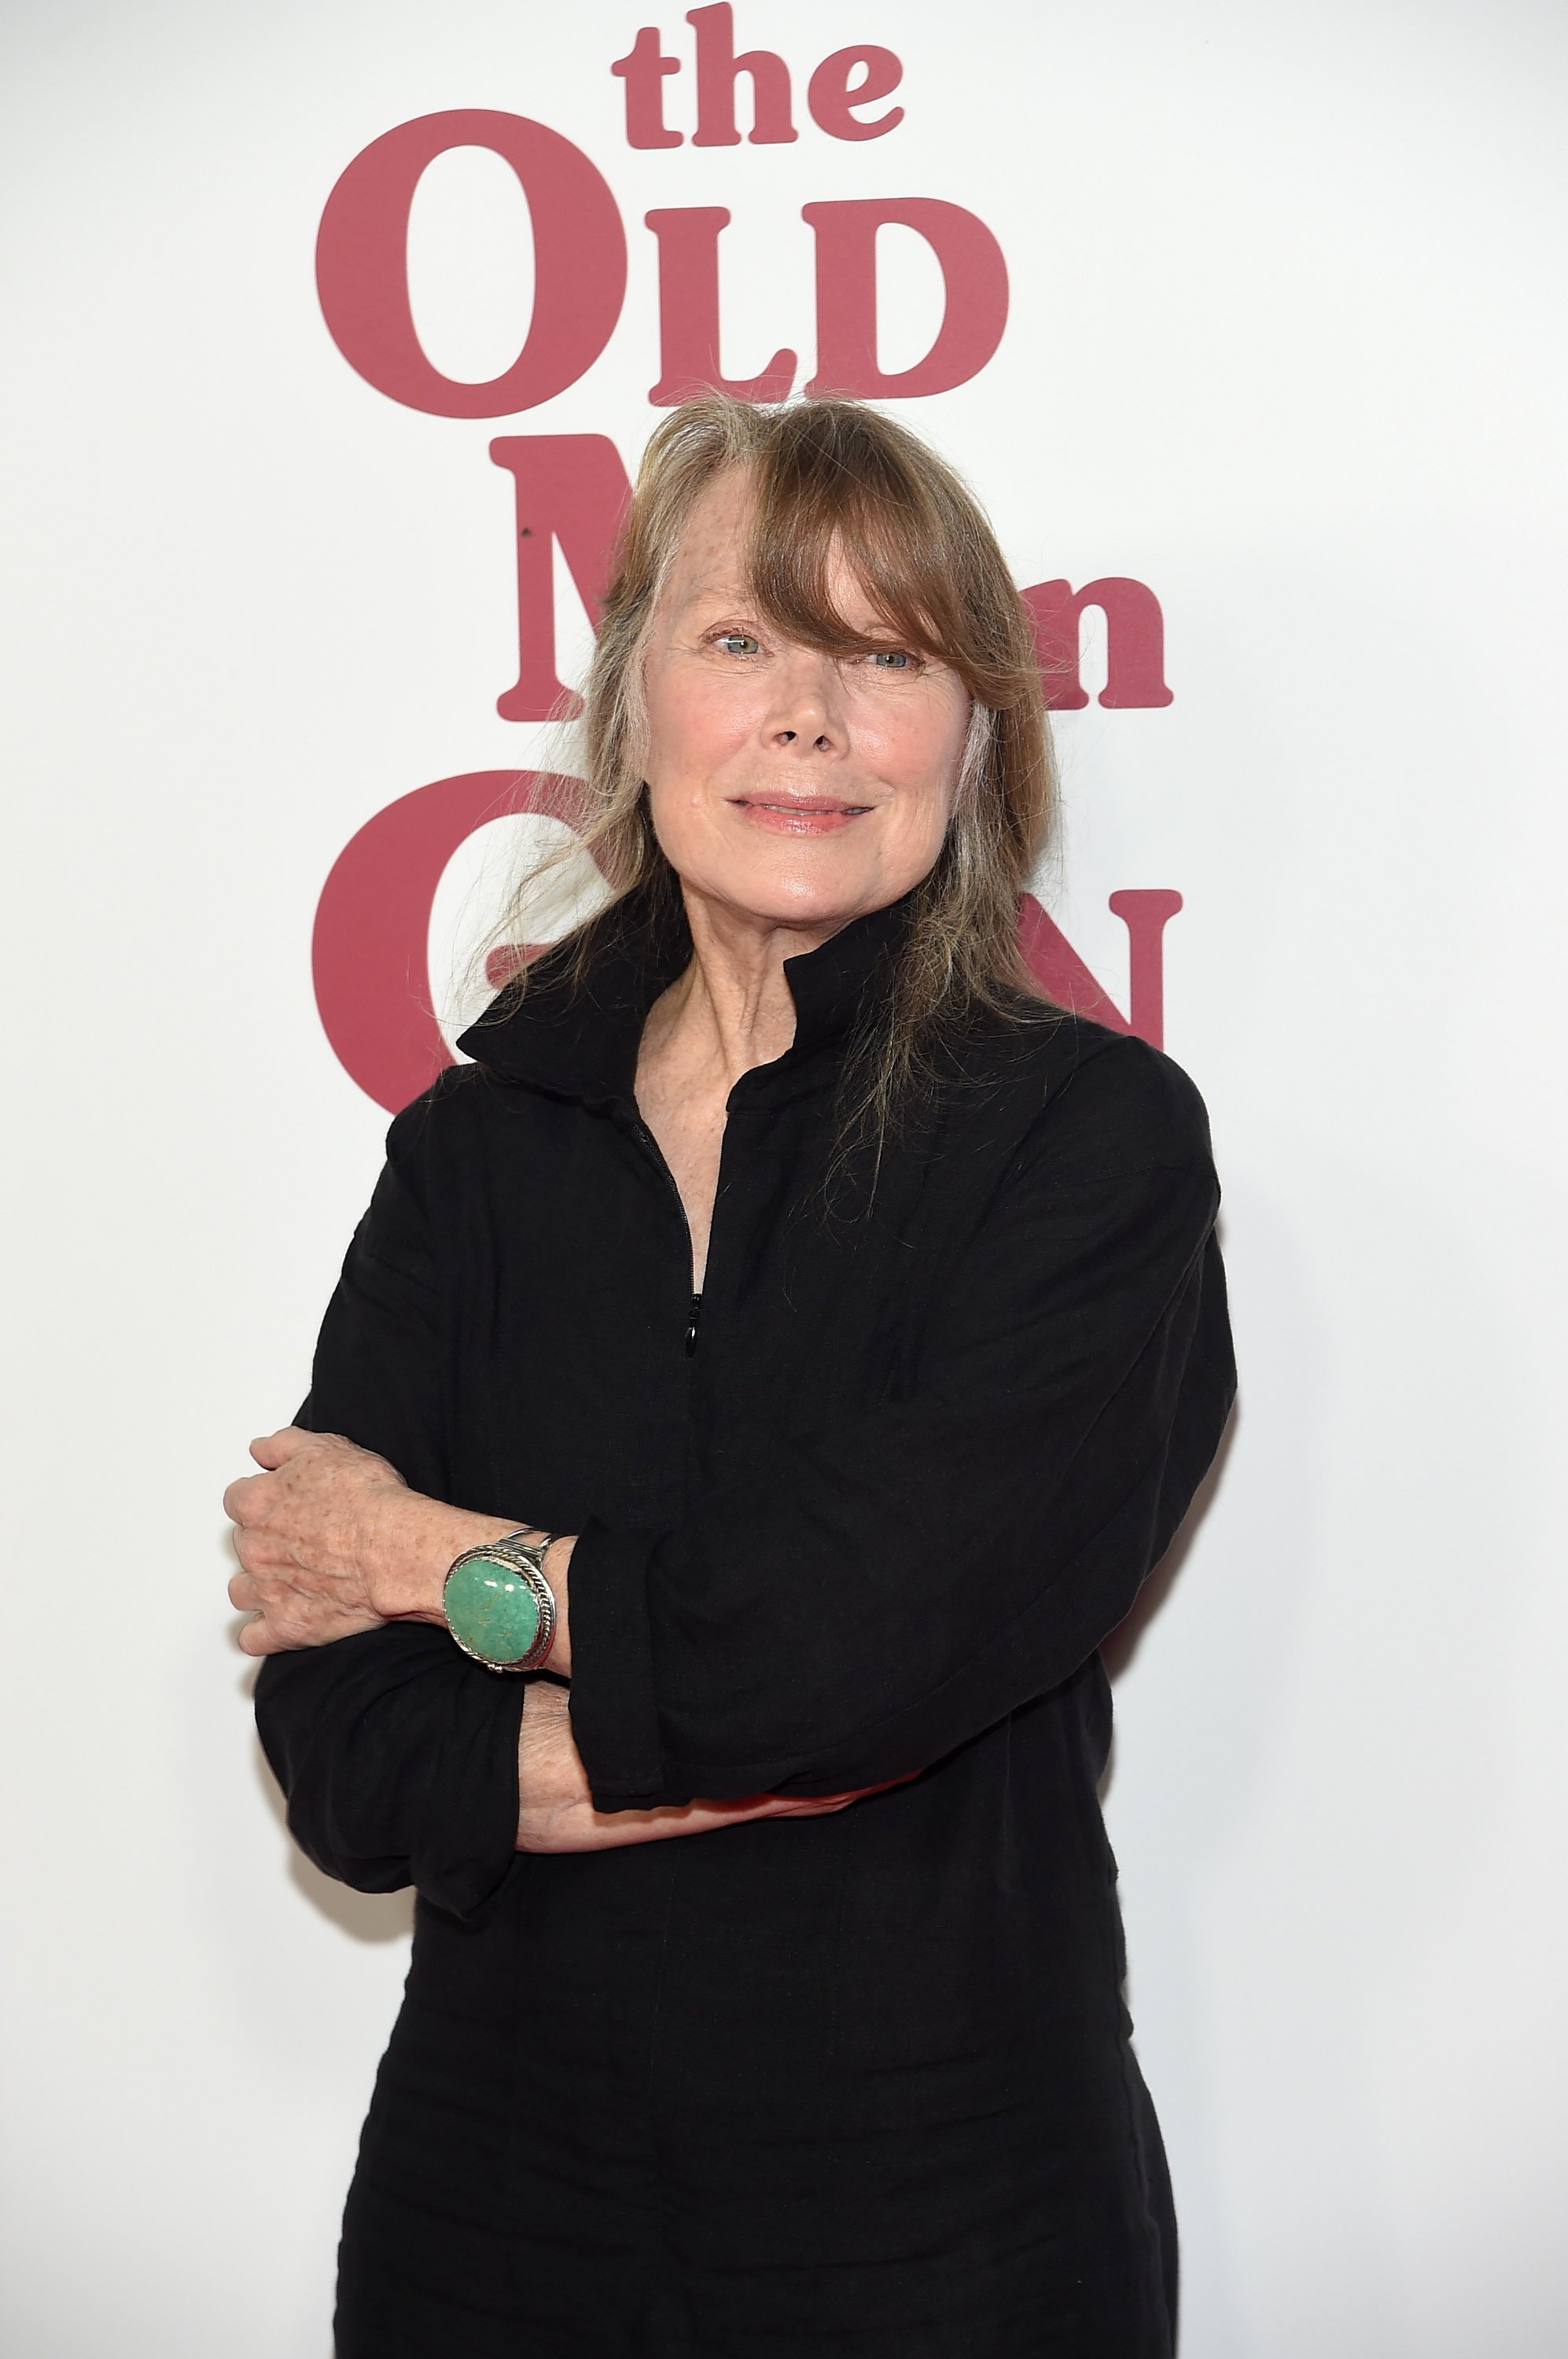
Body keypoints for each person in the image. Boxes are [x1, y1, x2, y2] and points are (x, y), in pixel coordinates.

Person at [226, 392, 1235, 2359]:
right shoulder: (477, 1144)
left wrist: (433, 1561)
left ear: (973, 739)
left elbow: (844, 1653)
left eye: (885, 655)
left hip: (946, 2214)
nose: (808, 716)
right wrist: (759, 1735)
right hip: (488, 2209)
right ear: (631, 708)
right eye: (743, 640)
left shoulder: (1087, 1142)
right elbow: (339, 1750)